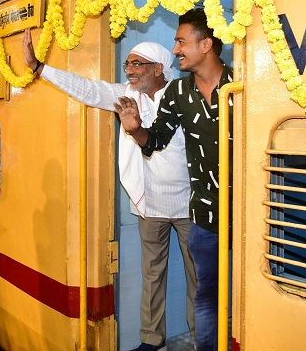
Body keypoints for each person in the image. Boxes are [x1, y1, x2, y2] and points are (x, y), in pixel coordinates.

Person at [22, 28, 197, 351]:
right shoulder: (125, 95)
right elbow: (87, 89)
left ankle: (201, 338)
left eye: (137, 64)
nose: (129, 70)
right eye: (127, 64)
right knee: (153, 275)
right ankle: (151, 339)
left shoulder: (184, 94)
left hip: (190, 204)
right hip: (149, 204)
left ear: (158, 68)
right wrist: (40, 68)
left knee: (197, 279)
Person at [115, 8, 234, 351]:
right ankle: (206, 345)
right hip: (203, 214)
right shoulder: (179, 92)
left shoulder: (240, 85)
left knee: (243, 284)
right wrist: (136, 129)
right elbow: (156, 141)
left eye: (181, 41)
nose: (176, 49)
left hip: (244, 207)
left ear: (206, 45)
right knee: (207, 290)